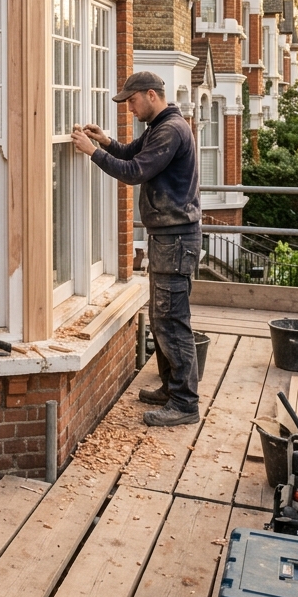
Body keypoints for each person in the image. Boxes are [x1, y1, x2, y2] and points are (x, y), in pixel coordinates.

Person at [70, 71, 201, 427]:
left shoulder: (171, 130)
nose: (129, 108)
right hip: (168, 239)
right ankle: (172, 388)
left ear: (151, 95)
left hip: (176, 240)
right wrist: (107, 142)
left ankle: (185, 403)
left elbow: (134, 171)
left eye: (132, 101)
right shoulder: (161, 126)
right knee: (162, 317)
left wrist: (93, 152)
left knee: (172, 321)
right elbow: (132, 152)